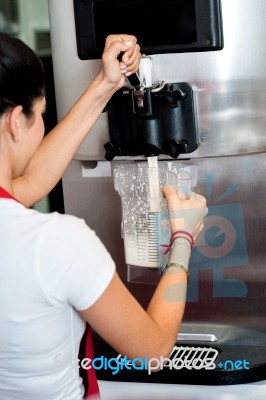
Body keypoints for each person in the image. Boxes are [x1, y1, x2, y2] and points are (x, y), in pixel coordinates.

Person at [0, 32, 207, 400]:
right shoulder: (56, 242)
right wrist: (182, 240)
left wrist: (105, 85)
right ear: (17, 121)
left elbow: (29, 182)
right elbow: (154, 351)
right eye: (41, 114)